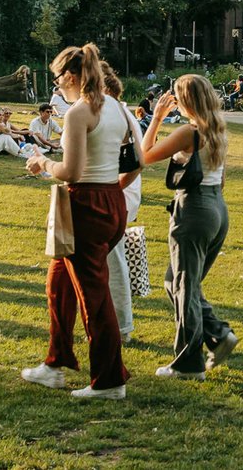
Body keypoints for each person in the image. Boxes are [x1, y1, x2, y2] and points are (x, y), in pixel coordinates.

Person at [21, 44, 130, 399]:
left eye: (57, 77)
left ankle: (109, 381)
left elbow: (71, 171)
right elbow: (133, 154)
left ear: (70, 76)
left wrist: (42, 163)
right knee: (59, 283)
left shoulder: (80, 112)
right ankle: (55, 363)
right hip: (111, 199)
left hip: (87, 205)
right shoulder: (115, 106)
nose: (56, 84)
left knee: (94, 296)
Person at [142, 74, 238, 381]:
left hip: (194, 209)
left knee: (183, 286)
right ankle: (217, 333)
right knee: (178, 283)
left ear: (185, 100)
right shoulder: (218, 129)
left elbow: (144, 155)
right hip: (217, 208)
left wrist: (156, 118)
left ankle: (188, 364)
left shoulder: (189, 132)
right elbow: (222, 178)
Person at [100, 65, 145, 345]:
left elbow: (137, 162)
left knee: (114, 263)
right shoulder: (118, 113)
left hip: (116, 196)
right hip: (115, 195)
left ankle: (122, 326)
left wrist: (111, 190)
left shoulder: (119, 115)